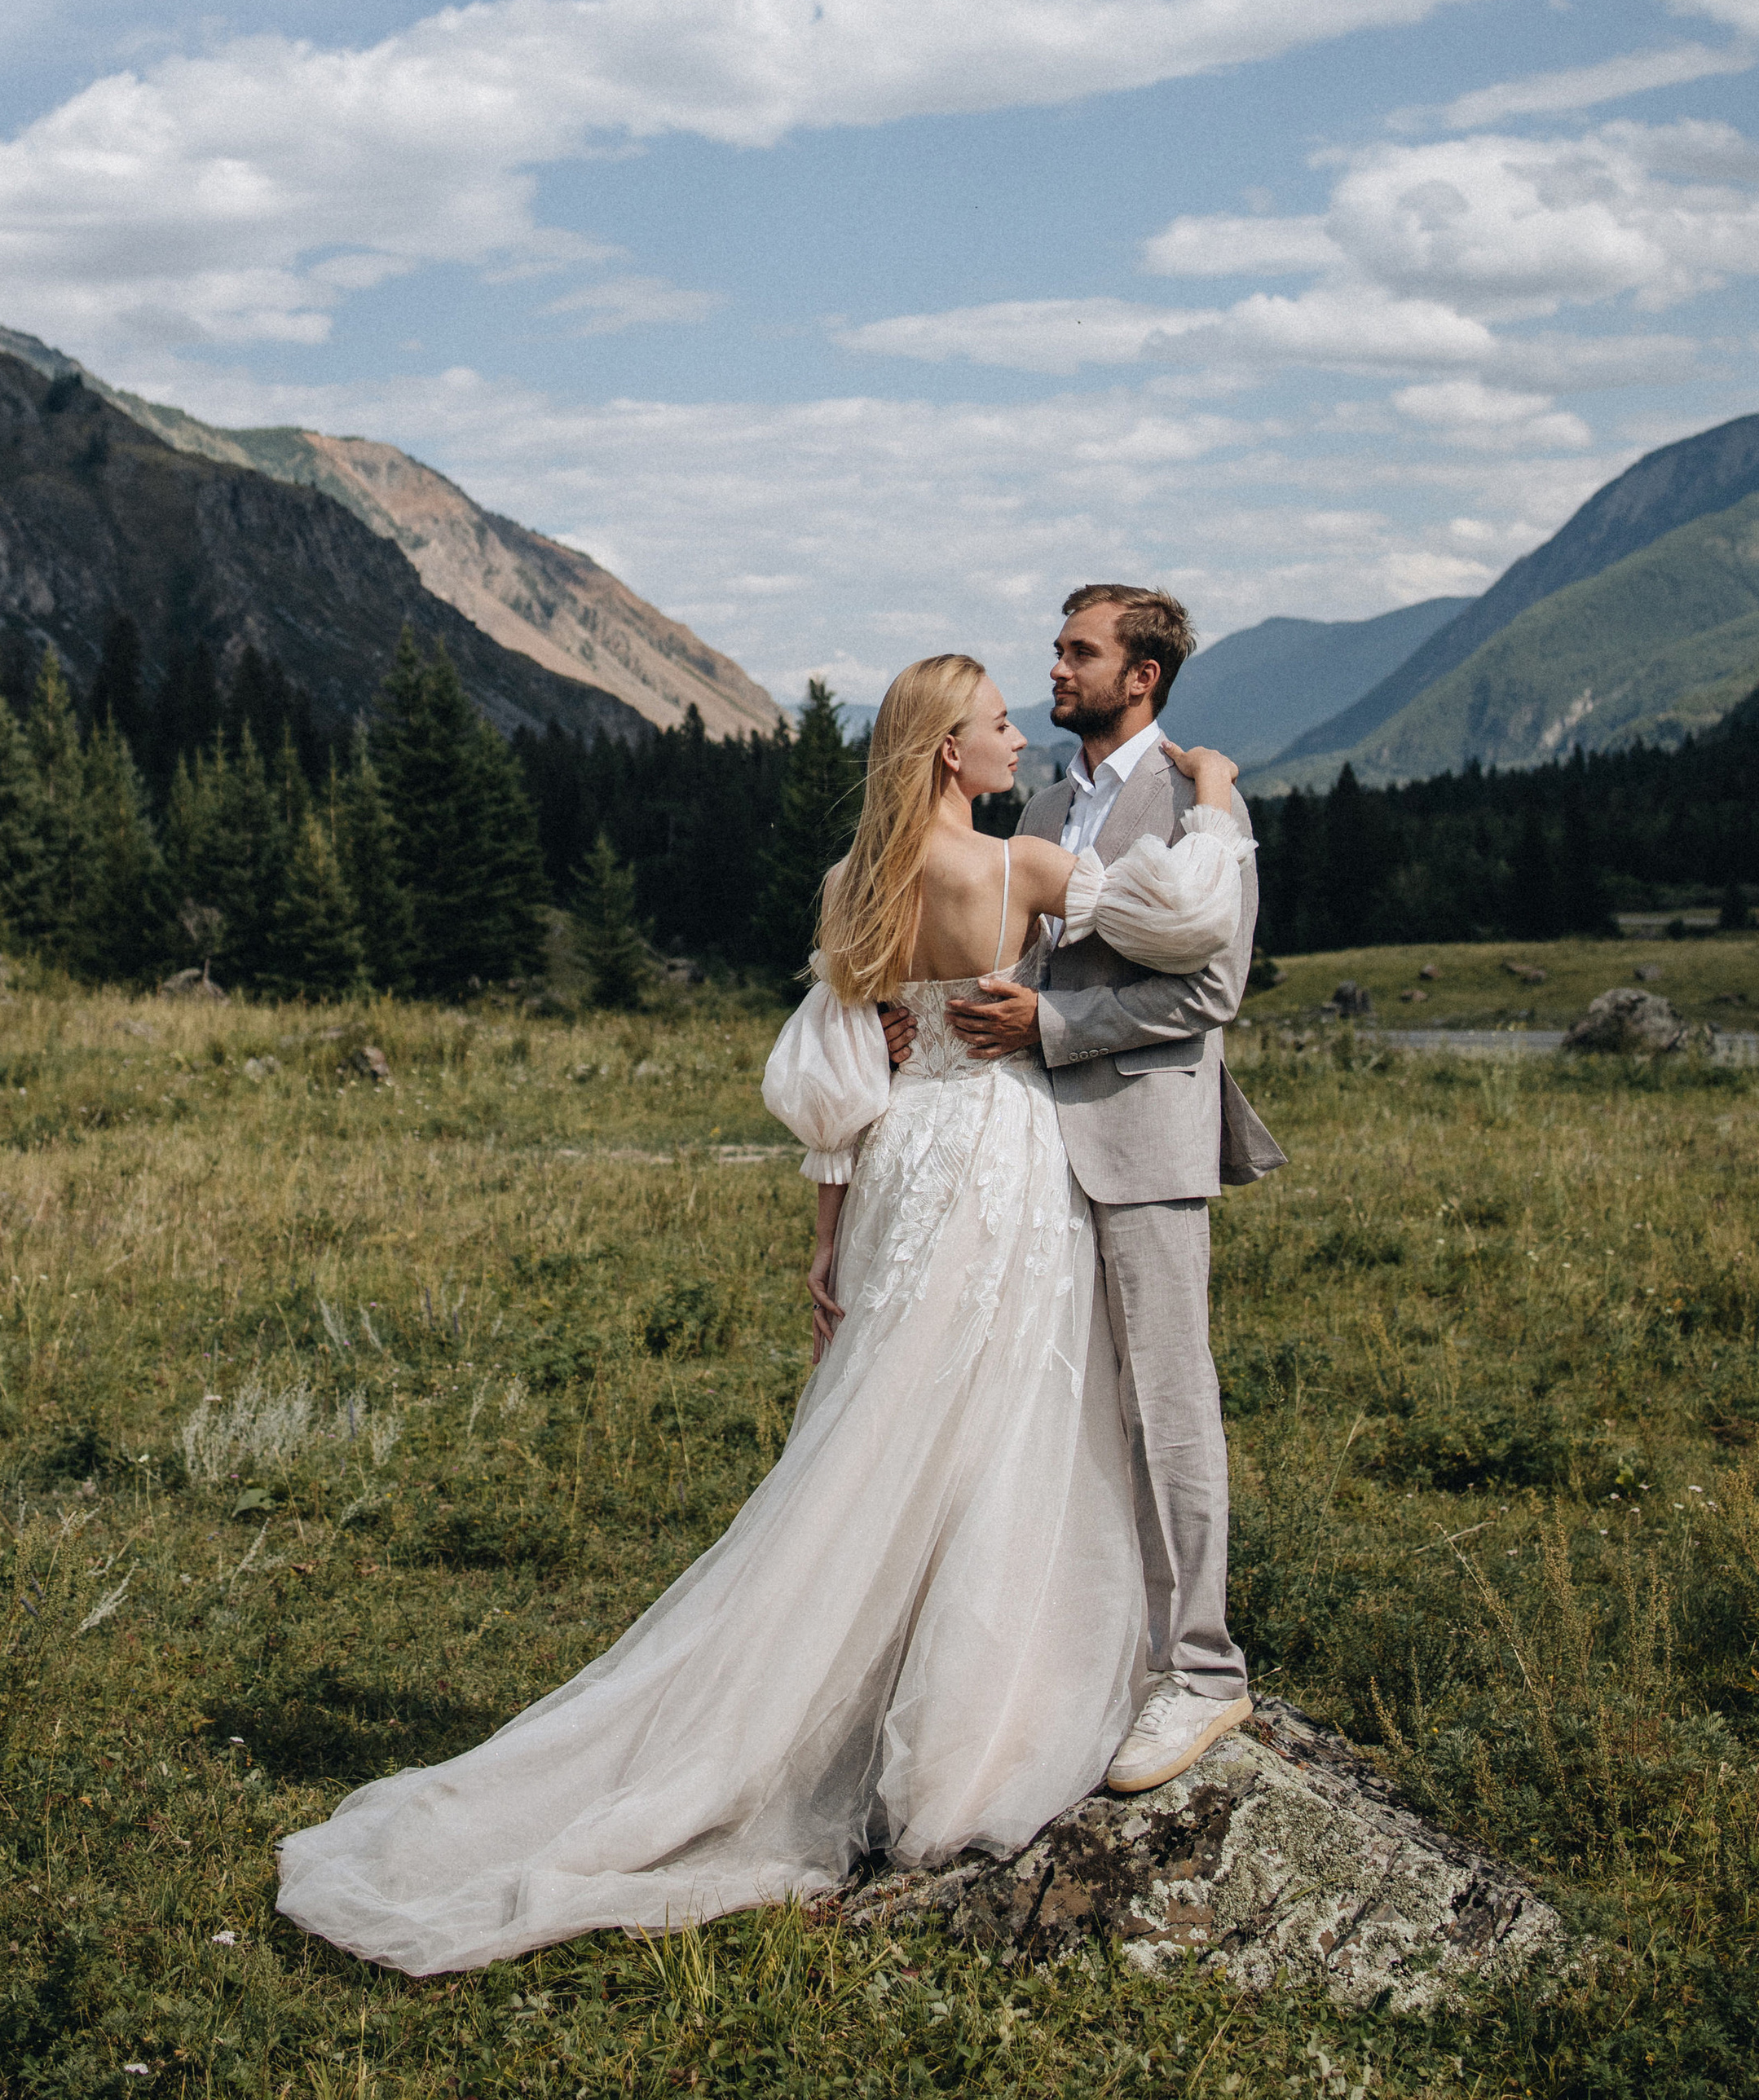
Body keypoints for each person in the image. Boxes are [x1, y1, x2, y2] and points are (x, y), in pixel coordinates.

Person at [275, 649, 1259, 1977]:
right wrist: (1214, 795)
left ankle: (831, 1694)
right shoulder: (1019, 872)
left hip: (901, 1170)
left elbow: (837, 1076)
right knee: (1009, 1427)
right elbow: (1192, 920)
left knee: (884, 1425)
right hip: (1008, 1161)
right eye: (992, 727)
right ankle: (972, 1737)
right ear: (946, 756)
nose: (1016, 737)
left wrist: (827, 1241)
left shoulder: (850, 888)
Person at [939, 584, 1282, 1797]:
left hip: (1142, 1139)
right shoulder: (1039, 803)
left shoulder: (1194, 800)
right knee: (1061, 1406)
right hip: (1030, 1147)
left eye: (1079, 651)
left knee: (1167, 1402)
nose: (1059, 665)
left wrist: (1056, 1022)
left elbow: (1213, 992)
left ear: (1142, 676)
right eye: (1060, 647)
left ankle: (1203, 1669)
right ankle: (1097, 1654)